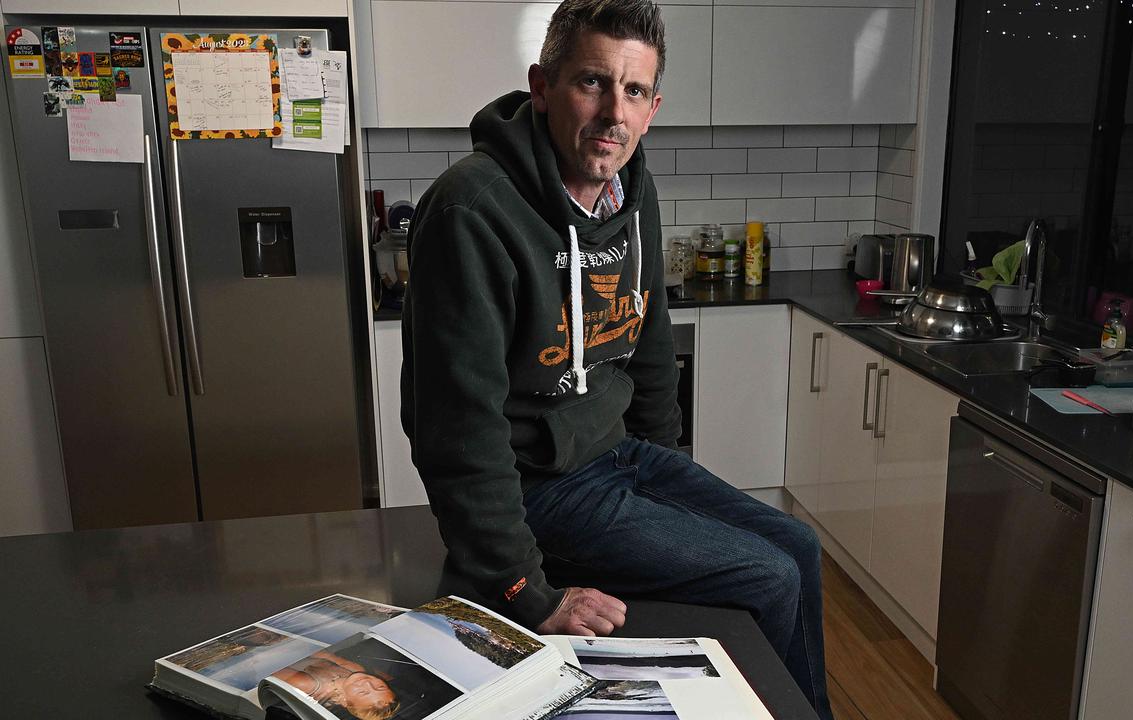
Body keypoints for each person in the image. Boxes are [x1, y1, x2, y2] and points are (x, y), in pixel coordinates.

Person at [400, 1, 833, 717]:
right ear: (542, 87)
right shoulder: (471, 210)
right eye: (592, 83)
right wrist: (523, 590)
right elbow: (455, 429)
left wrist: (667, 481)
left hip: (620, 458)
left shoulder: (630, 188)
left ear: (654, 106)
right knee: (769, 577)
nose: (613, 114)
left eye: (633, 92)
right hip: (540, 488)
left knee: (800, 549)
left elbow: (651, 341)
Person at [273, 650, 399, 720]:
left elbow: (268, 665)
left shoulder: (306, 684)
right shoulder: (356, 671)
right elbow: (324, 653)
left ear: (344, 701)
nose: (367, 683)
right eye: (380, 687)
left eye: (363, 692)